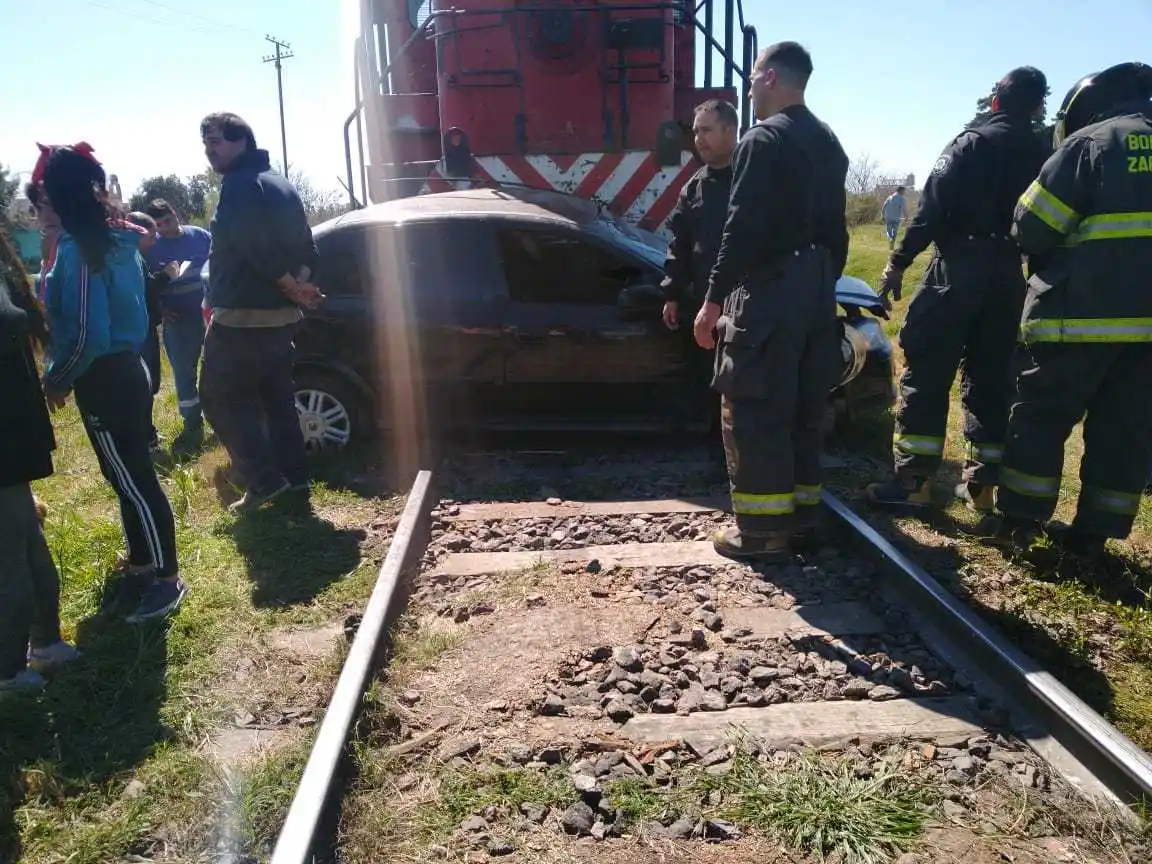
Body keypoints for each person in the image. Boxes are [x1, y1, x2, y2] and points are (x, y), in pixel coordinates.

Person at [984, 62, 1152, 556]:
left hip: (1078, 318)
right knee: (1125, 430)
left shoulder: (1093, 143)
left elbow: (1032, 224)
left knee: (1039, 418)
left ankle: (1019, 522)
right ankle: (1091, 539)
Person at [866, 67, 1049, 514]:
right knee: (991, 379)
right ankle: (983, 488)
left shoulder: (972, 143)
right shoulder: (1048, 152)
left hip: (958, 269)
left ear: (996, 102)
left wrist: (896, 264)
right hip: (1009, 273)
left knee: (927, 371)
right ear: (1038, 107)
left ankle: (914, 483)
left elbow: (930, 209)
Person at [692, 42, 849, 561]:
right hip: (816, 288)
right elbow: (838, 232)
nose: (750, 85)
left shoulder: (762, 140)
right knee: (805, 407)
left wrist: (713, 301)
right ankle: (802, 519)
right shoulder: (828, 141)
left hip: (773, 289)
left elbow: (741, 229)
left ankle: (761, 532)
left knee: (756, 405)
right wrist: (820, 285)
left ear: (770, 78)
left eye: (755, 75)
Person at [36, 144, 187, 622]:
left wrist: (56, 378)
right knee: (125, 474)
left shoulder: (82, 252)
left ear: (60, 198)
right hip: (130, 366)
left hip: (103, 376)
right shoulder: (117, 241)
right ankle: (143, 562)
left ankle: (167, 578)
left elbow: (85, 333)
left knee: (135, 479)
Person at [197, 112, 323, 514]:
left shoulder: (239, 184)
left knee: (219, 397)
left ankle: (264, 480)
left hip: (242, 318)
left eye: (215, 141)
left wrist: (289, 284)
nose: (208, 151)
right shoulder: (282, 184)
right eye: (205, 143)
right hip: (281, 319)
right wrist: (300, 286)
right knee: (276, 400)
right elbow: (308, 246)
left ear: (241, 142)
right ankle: (295, 475)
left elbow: (252, 247)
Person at [0, 224, 80, 694]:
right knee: (13, 554)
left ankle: (44, 643)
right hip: (9, 438)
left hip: (13, 436)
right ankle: (8, 669)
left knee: (26, 540)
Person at [661, 98, 739, 440]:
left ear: (730, 130)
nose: (699, 139)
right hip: (703, 306)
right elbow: (679, 243)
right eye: (695, 132)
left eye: (706, 130)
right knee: (708, 383)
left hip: (748, 304)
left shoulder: (754, 179)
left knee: (742, 386)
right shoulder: (694, 186)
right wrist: (672, 294)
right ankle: (715, 455)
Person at [142, 198, 211, 455]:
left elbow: (217, 267)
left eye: (167, 221)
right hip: (178, 319)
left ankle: (221, 418)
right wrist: (160, 310)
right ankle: (193, 425)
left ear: (176, 214)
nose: (165, 229)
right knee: (184, 373)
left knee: (216, 366)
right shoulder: (151, 249)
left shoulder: (201, 237)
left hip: (207, 312)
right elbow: (145, 286)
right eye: (158, 225)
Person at [126, 210, 181, 451]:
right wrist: (167, 276)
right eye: (150, 236)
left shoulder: (137, 257)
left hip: (145, 328)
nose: (155, 241)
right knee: (143, 386)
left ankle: (147, 434)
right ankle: (143, 439)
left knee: (149, 384)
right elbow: (145, 289)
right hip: (137, 333)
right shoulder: (128, 258)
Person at [881, 185, 908, 252]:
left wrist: (882, 215)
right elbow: (904, 209)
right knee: (895, 231)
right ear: (900, 191)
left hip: (888, 217)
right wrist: (906, 217)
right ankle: (892, 242)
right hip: (896, 218)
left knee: (889, 230)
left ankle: (891, 240)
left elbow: (884, 207)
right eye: (904, 191)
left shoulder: (889, 197)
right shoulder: (901, 199)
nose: (904, 192)